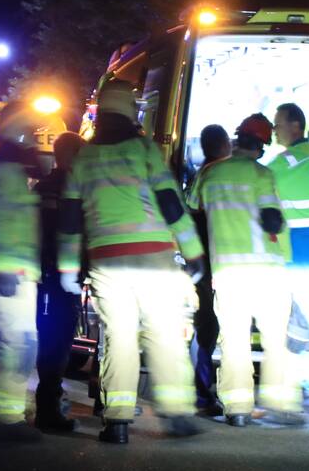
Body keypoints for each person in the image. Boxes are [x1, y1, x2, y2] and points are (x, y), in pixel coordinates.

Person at [58, 80, 204, 445]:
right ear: (130, 111)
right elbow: (171, 204)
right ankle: (177, 413)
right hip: (153, 258)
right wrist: (193, 252)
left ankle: (118, 422)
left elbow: (70, 221)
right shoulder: (144, 151)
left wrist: (67, 267)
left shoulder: (84, 159)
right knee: (164, 333)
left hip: (107, 263)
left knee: (119, 338)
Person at [187, 114, 304, 427]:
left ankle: (237, 408)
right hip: (267, 271)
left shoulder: (209, 174)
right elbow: (273, 221)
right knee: (275, 339)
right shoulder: (262, 175)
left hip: (228, 272)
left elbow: (193, 210)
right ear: (262, 147)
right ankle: (280, 402)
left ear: (236, 140)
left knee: (234, 341)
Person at [0, 102, 44, 442]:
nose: (35, 138)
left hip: (14, 271)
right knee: (14, 346)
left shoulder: (7, 169)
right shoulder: (5, 172)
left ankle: (6, 414)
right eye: (31, 131)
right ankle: (6, 420)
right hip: (10, 272)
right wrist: (3, 270)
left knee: (16, 345)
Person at [269, 103, 309, 414]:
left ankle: (306, 388)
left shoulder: (290, 161)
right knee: (304, 321)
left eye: (278, 124)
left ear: (295, 126)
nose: (274, 130)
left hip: (298, 252)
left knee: (299, 322)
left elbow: (259, 179)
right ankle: (307, 388)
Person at [34, 131, 86, 432]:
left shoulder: (41, 187)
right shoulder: (76, 189)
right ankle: (49, 409)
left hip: (42, 276)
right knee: (59, 342)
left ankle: (49, 401)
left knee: (47, 338)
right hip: (66, 277)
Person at [189, 124, 232, 417]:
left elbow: (191, 213)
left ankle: (203, 393)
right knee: (208, 327)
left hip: (206, 261)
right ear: (224, 144)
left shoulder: (202, 175)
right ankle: (202, 394)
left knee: (207, 325)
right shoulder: (217, 173)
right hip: (219, 262)